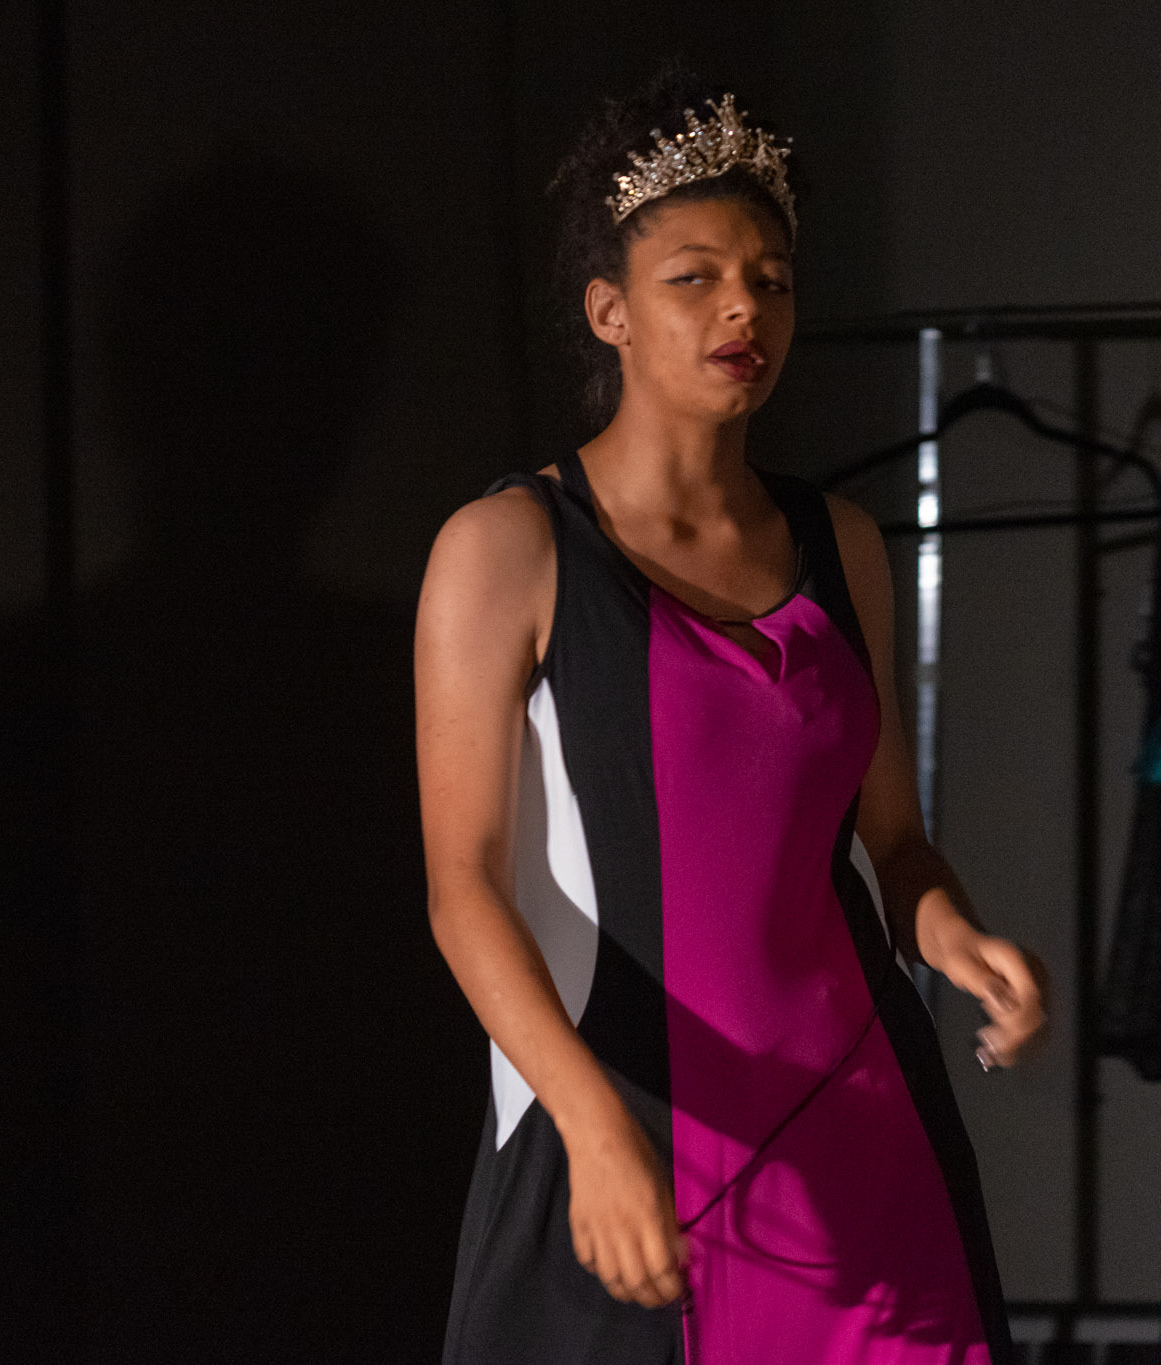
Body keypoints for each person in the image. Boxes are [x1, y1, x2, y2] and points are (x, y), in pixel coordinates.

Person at [415, 70, 1044, 1363]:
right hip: (629, 1131)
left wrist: (956, 934)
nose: (744, 307)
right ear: (610, 312)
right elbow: (462, 890)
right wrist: (591, 1128)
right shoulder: (509, 548)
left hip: (863, 1129)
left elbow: (894, 844)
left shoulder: (843, 545)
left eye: (771, 279)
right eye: (694, 278)